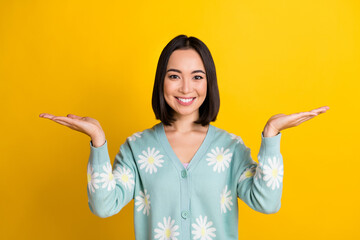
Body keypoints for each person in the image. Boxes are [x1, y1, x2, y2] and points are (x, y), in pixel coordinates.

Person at [39, 34, 329, 240]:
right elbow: (104, 206)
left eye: (197, 76)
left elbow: (266, 202)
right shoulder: (137, 148)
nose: (186, 88)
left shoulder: (230, 149)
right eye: (174, 76)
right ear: (161, 81)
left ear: (208, 82)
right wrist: (98, 140)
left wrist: (271, 136)